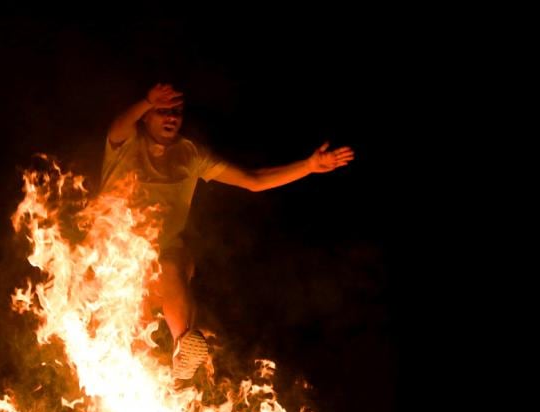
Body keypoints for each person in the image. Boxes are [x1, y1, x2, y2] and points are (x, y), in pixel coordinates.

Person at [100, 83, 354, 382]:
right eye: (162, 112)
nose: (171, 118)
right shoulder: (127, 142)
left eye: (176, 112)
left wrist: (309, 166)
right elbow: (119, 125)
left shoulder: (190, 154)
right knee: (127, 347)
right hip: (111, 260)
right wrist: (145, 100)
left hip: (162, 264)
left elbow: (253, 180)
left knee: (175, 258)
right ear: (145, 117)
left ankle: (184, 346)